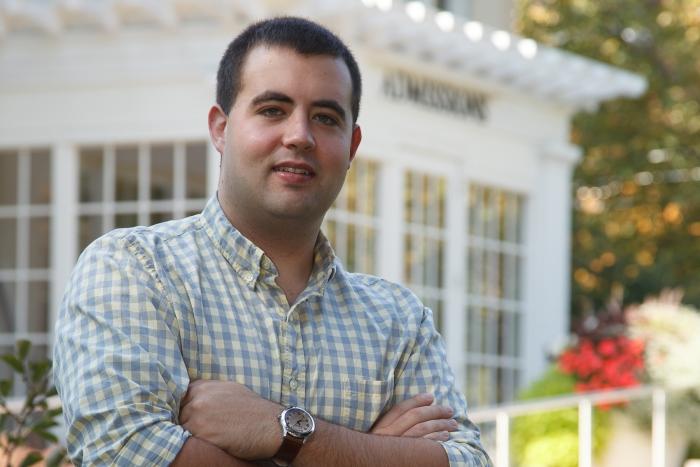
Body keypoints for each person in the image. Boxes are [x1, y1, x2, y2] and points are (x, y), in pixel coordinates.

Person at [53, 16, 491, 466]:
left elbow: (468, 461)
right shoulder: (133, 270)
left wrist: (282, 430)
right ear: (220, 128)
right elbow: (124, 450)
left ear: (352, 146)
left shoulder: (399, 322)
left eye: (325, 117)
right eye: (272, 110)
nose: (299, 135)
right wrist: (371, 452)